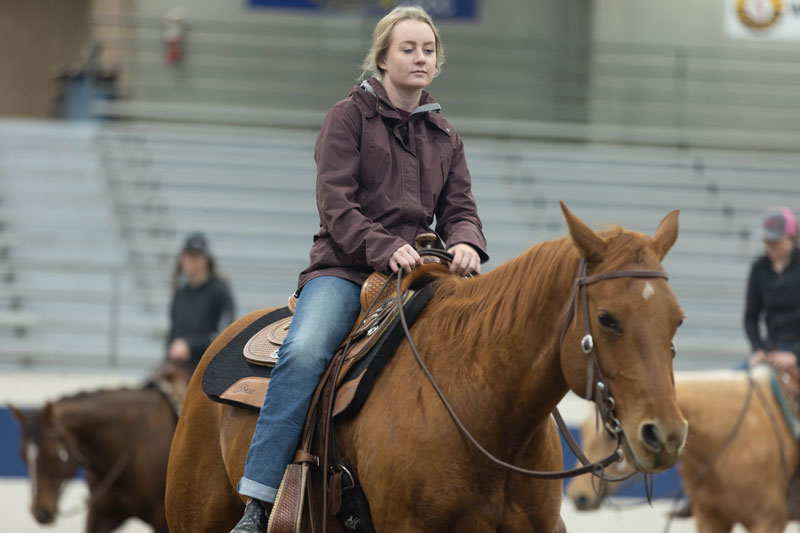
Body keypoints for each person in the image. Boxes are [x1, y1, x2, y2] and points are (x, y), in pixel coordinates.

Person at [230, 6, 489, 531]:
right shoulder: (346, 118)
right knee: (303, 354)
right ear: (383, 57)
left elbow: (460, 208)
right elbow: (336, 205)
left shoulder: (445, 136)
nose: (420, 57)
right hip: (345, 269)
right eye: (408, 49)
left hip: (421, 272)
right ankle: (259, 502)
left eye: (428, 50)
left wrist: (467, 243)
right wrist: (382, 246)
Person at [167, 232, 235, 374]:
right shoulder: (180, 293)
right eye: (187, 256)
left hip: (208, 369)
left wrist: (189, 346)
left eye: (196, 257)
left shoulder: (220, 292)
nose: (190, 261)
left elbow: (224, 336)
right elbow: (172, 334)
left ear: (207, 260)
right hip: (179, 368)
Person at [746, 206, 800, 371]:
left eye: (775, 242)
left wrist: (795, 355)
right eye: (767, 242)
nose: (770, 246)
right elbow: (751, 317)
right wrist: (758, 349)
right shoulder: (759, 268)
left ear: (791, 238)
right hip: (772, 349)